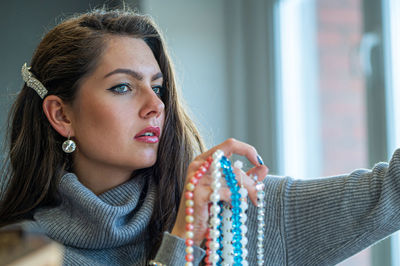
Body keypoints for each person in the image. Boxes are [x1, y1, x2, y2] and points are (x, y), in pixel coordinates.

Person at [0, 7, 399, 266]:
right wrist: (183, 239)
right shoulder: (22, 253)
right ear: (61, 114)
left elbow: (390, 192)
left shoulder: (241, 214)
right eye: (123, 87)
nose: (155, 106)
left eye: (157, 87)